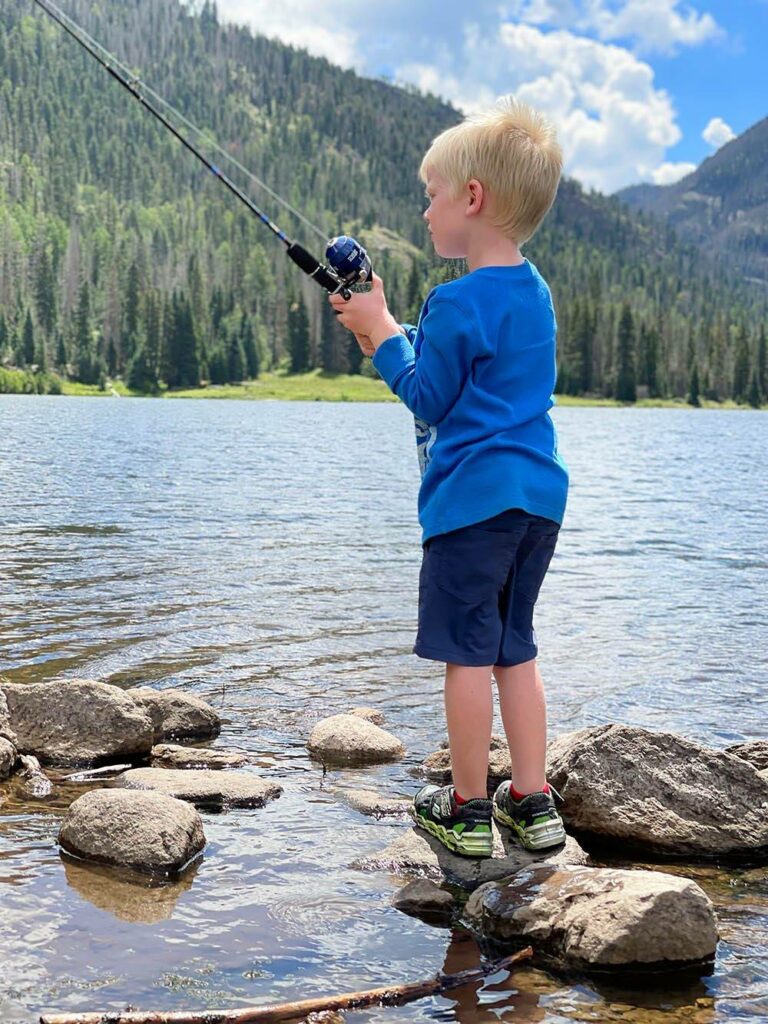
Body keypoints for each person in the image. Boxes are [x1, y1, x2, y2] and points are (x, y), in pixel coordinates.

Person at [328, 96, 568, 858]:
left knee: (467, 655)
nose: (424, 209)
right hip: (538, 503)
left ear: (472, 198)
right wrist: (393, 324)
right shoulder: (536, 293)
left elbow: (429, 395)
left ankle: (466, 811)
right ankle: (532, 803)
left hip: (470, 507)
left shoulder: (457, 299)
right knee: (514, 649)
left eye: (431, 195)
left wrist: (379, 335)